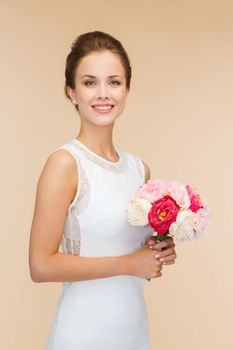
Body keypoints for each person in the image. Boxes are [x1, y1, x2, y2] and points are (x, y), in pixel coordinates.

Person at [29, 30, 177, 350]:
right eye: (89, 82)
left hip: (134, 333)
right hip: (81, 336)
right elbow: (40, 266)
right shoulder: (65, 164)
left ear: (127, 89)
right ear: (72, 92)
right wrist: (129, 263)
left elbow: (136, 260)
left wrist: (158, 252)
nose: (103, 93)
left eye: (113, 81)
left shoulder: (140, 170)